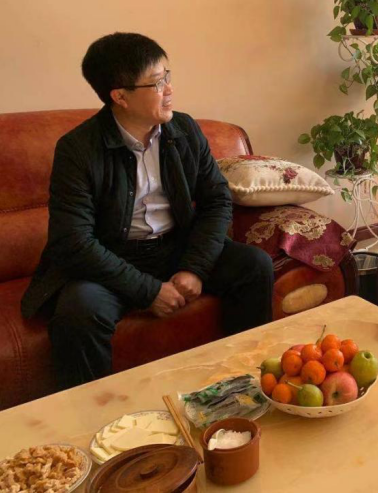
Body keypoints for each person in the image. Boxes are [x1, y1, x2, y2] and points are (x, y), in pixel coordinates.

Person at [21, 32, 274, 389]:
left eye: (167, 75)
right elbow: (73, 241)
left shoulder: (184, 129)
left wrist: (194, 267)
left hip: (175, 246)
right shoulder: (78, 149)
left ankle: (245, 384)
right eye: (156, 83)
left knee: (254, 265)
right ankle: (93, 412)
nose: (169, 89)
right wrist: (148, 291)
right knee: (79, 312)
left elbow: (216, 199)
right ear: (120, 96)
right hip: (111, 258)